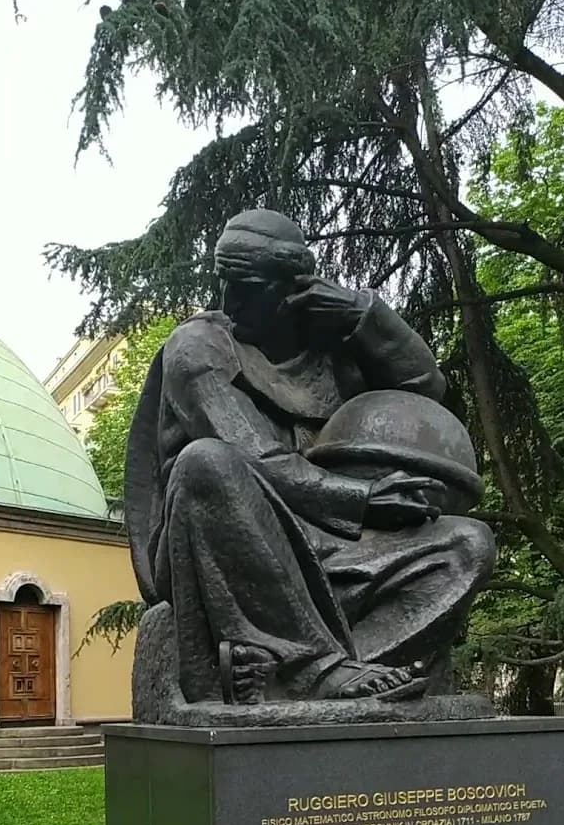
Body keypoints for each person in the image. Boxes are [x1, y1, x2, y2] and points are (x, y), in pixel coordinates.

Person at [126, 209, 495, 704]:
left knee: (469, 544)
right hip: (229, 544)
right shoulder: (198, 346)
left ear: (291, 288)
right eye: (225, 282)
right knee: (206, 461)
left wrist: (364, 315)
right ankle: (317, 669)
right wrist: (364, 499)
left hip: (332, 545)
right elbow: (254, 457)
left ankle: (312, 671)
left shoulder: (335, 349)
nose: (230, 300)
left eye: (248, 285)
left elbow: (423, 386)